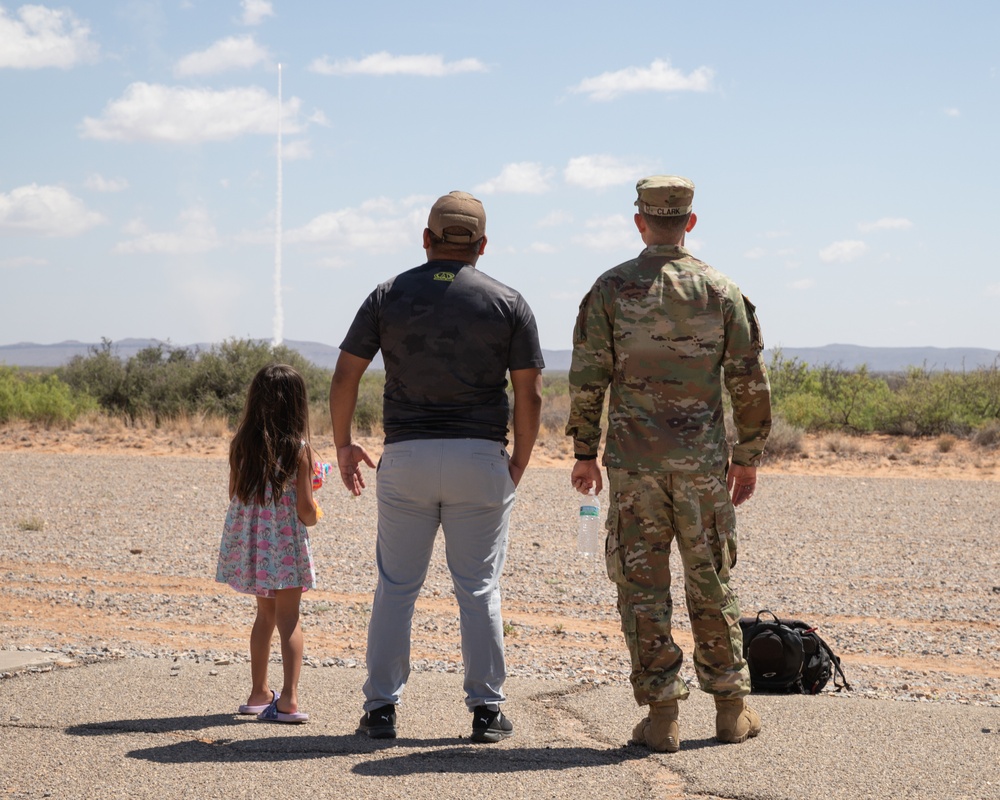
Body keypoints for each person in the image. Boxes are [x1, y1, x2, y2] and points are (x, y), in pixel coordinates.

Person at [566, 175, 771, 753]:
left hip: (634, 466)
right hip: (704, 465)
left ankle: (662, 719)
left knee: (642, 586)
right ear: (690, 221)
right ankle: (729, 710)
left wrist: (585, 452)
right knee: (710, 581)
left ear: (640, 222)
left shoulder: (611, 289)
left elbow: (588, 377)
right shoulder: (720, 290)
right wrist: (749, 456)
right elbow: (749, 382)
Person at [330, 191, 544, 743]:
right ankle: (487, 711)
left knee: (396, 587)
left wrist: (344, 445)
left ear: (426, 239)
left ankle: (380, 710)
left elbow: (345, 377)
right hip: (479, 454)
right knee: (478, 589)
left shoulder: (387, 294)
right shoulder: (508, 301)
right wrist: (518, 459)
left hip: (406, 456)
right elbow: (530, 393)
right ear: (482, 245)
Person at [216, 363, 319, 724]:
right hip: (286, 546)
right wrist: (316, 513)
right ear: (296, 405)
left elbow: (235, 493)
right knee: (290, 620)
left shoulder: (241, 446)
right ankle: (288, 699)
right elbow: (305, 509)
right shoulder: (299, 450)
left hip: (257, 546)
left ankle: (258, 692)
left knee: (265, 616)